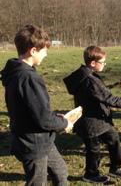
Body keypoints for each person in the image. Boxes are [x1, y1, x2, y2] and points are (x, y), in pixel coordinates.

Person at [63, 45, 121, 183]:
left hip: (100, 120)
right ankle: (91, 174)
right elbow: (110, 99)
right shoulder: (90, 80)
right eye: (102, 62)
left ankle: (115, 168)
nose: (104, 65)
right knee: (93, 150)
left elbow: (102, 97)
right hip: (90, 123)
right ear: (93, 63)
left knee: (114, 139)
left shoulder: (86, 74)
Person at [0, 25, 73, 186]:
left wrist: (55, 117)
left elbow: (34, 109)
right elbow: (43, 118)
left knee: (61, 172)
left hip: (42, 140)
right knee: (37, 182)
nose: (46, 54)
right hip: (33, 143)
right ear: (33, 51)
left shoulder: (15, 71)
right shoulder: (28, 78)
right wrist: (64, 123)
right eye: (44, 51)